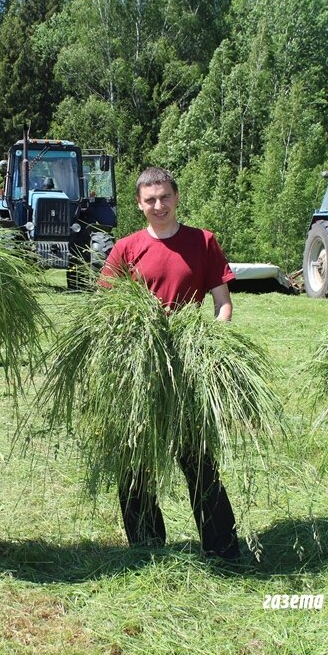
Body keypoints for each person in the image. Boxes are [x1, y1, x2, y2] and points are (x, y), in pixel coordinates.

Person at [101, 166, 240, 561]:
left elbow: (222, 302)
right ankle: (146, 546)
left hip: (187, 362)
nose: (158, 206)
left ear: (176, 197)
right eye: (150, 200)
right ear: (139, 204)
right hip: (139, 364)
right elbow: (107, 306)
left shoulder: (203, 242)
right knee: (137, 453)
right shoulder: (125, 248)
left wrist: (212, 338)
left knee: (196, 454)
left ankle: (222, 546)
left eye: (164, 197)